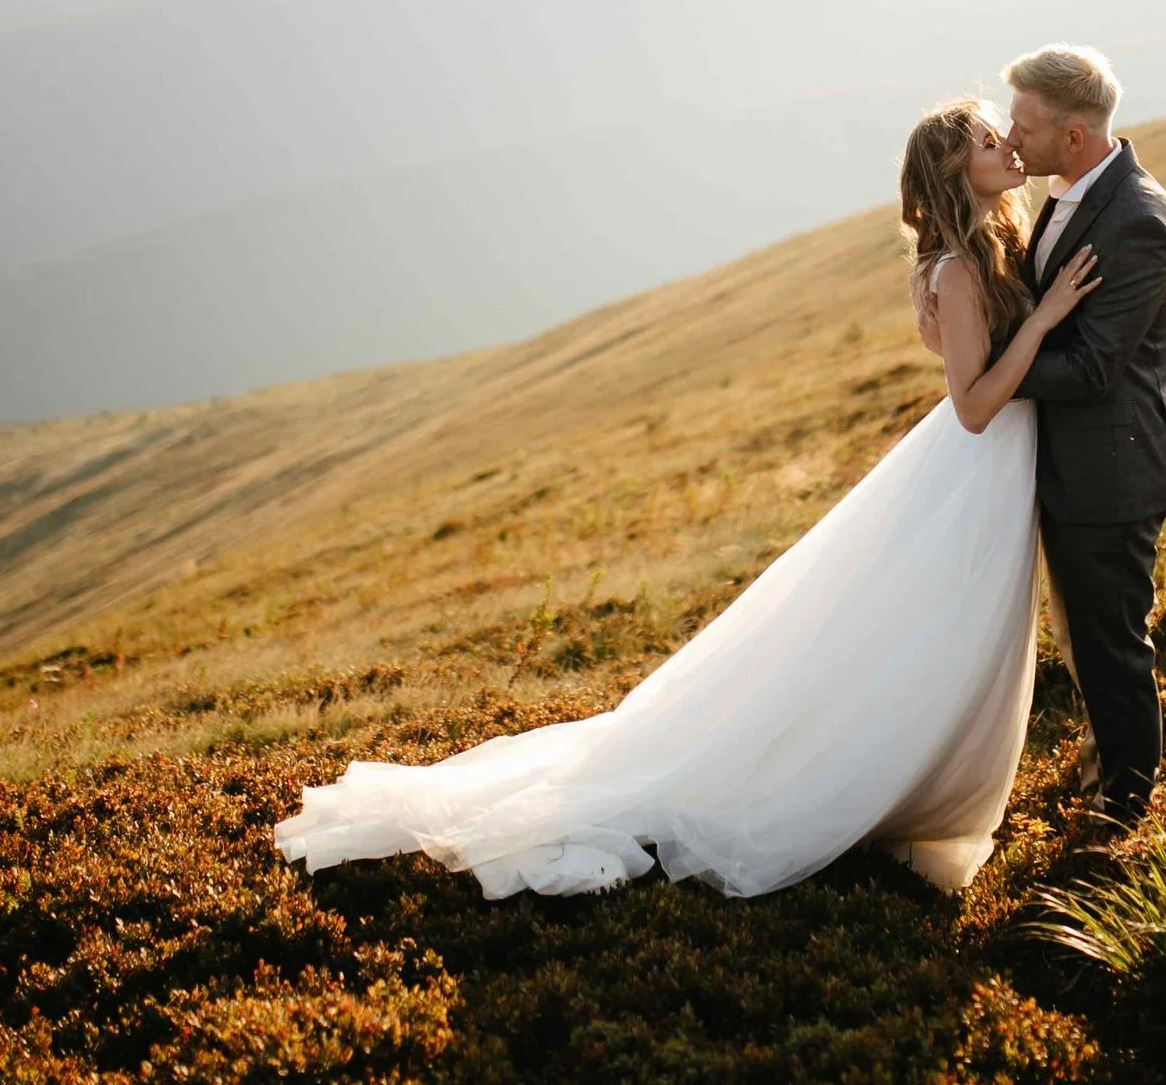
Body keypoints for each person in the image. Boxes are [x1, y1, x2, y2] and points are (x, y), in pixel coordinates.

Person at [272, 96, 1099, 898]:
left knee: (947, 643)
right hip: (972, 468)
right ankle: (870, 796)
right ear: (956, 168)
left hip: (991, 477)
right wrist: (1046, 315)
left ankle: (913, 797)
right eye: (990, 140)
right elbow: (975, 403)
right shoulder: (956, 271)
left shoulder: (999, 239)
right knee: (923, 643)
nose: (1007, 148)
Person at [1000, 44, 1166, 830]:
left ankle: (1127, 813)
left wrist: (989, 368)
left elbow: (1089, 370)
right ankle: (1099, 764)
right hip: (1072, 467)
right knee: (1083, 640)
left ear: (1074, 136)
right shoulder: (1069, 188)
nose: (1011, 136)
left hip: (1113, 476)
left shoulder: (1139, 222)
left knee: (1113, 649)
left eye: (1027, 124)